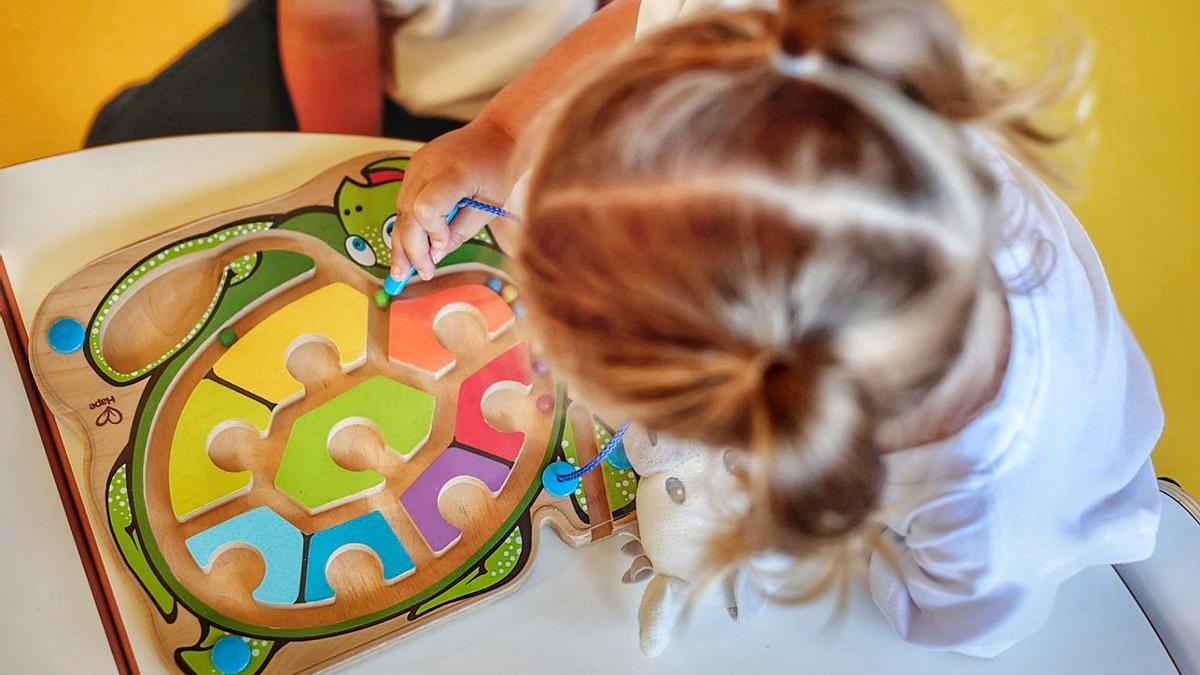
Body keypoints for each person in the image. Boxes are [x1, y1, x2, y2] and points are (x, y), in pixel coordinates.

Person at [391, 0, 1164, 657]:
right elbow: (654, 16)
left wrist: (790, 531)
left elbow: (975, 629)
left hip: (1030, 542)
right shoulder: (796, 82)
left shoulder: (982, 519)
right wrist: (498, 136)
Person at [85, 0, 597, 146]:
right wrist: (347, 161)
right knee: (133, 142)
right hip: (341, 64)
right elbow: (327, 33)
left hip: (557, 85)